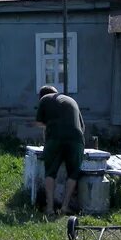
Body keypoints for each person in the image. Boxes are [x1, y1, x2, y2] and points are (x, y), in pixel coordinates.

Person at [35, 85, 85, 216]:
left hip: (55, 138)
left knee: (50, 172)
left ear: (41, 96)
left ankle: (50, 208)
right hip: (76, 139)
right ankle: (65, 207)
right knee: (73, 173)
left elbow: (40, 123)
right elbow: (81, 126)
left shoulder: (44, 99)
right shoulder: (71, 100)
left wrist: (50, 134)